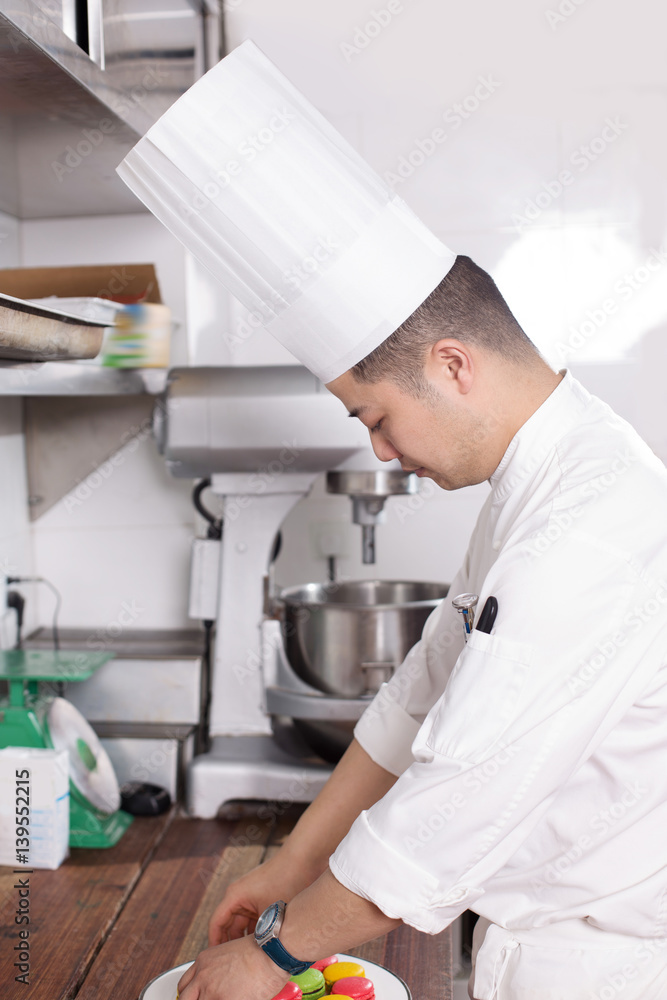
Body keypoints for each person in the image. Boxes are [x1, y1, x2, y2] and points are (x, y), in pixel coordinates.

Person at [176, 256, 667, 1000]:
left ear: (451, 366)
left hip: (599, 969)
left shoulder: (583, 533)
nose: (379, 449)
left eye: (376, 419)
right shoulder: (536, 484)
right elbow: (420, 694)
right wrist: (296, 861)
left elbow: (461, 803)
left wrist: (272, 954)